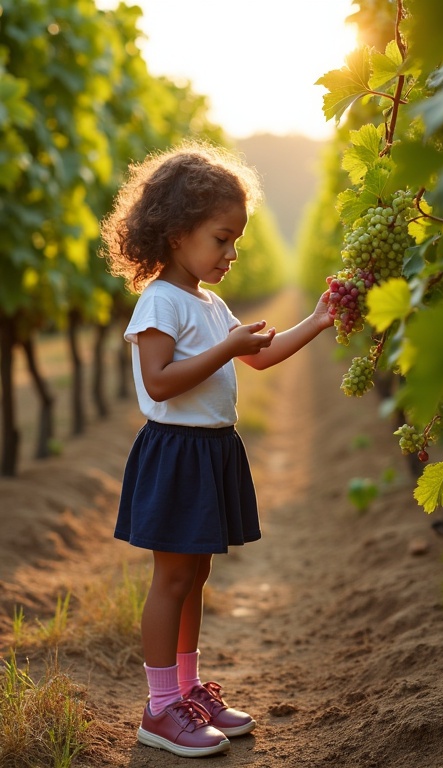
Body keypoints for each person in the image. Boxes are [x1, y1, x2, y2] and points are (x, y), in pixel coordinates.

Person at [100, 139, 334, 758]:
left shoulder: (210, 302)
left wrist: (315, 320)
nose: (232, 253)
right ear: (176, 233)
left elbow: (258, 355)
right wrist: (225, 350)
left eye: (237, 241)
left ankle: (185, 690)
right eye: (221, 238)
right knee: (172, 578)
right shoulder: (160, 301)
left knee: (195, 574)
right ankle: (159, 709)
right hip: (176, 452)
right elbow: (159, 382)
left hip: (210, 451)